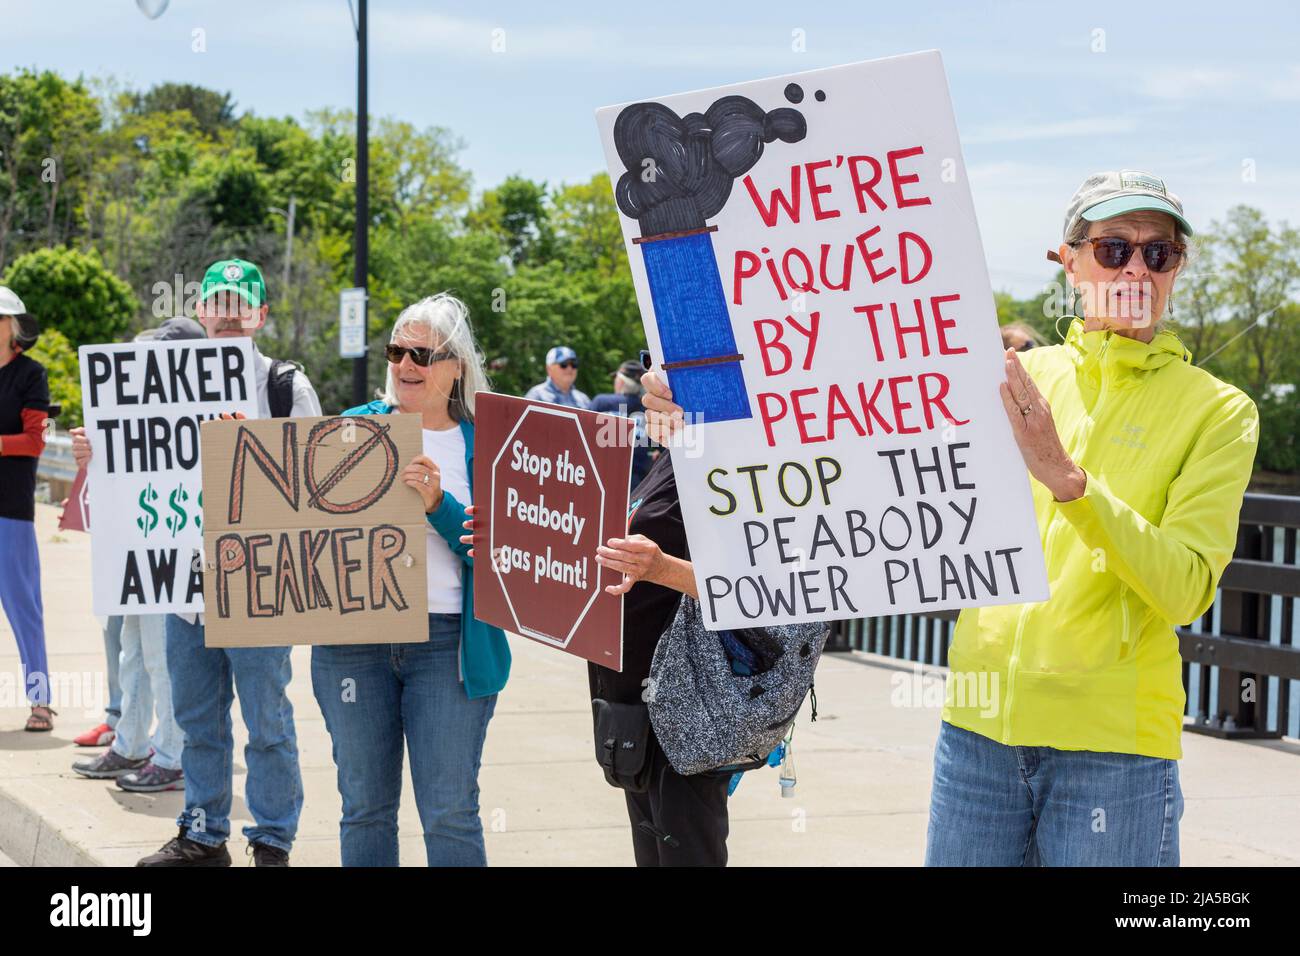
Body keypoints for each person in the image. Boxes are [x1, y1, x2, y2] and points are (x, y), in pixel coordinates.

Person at [641, 169, 1259, 867]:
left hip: (1115, 748)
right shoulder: (1000, 375)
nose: (1138, 268)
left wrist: (1070, 484)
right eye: (1115, 248)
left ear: (1179, 267)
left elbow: (1185, 590)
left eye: (1160, 252)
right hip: (976, 730)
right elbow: (842, 460)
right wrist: (697, 430)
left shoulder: (1221, 411)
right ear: (1069, 260)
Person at [73, 261, 321, 866]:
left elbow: (316, 487)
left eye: (244, 302)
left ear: (262, 315)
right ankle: (205, 835)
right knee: (197, 720)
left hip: (259, 584)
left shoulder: (286, 386)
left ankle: (271, 840)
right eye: (218, 302)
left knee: (267, 721)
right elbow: (136, 477)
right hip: (183, 585)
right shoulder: (158, 385)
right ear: (201, 313)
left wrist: (251, 448)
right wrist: (96, 450)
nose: (230, 312)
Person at [311, 292, 510, 866]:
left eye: (421, 354)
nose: (404, 366)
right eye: (397, 351)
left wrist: (440, 506)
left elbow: (509, 562)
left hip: (449, 648)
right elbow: (298, 528)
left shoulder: (489, 445)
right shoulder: (352, 430)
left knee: (449, 811)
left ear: (456, 367)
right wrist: (238, 453)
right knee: (365, 808)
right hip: (354, 648)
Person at [70, 322, 204, 792]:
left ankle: (172, 754)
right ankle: (129, 743)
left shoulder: (204, 412)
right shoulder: (136, 413)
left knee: (161, 655)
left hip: (175, 547)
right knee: (133, 647)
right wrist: (91, 449)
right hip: (136, 542)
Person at [0, 286, 53, 732]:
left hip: (10, 505)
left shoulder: (31, 375)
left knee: (23, 606)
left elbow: (35, 441)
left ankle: (41, 700)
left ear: (14, 327)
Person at [590, 359, 652, 488]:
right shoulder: (648, 409)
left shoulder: (601, 403)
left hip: (600, 476)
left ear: (621, 380)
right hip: (637, 483)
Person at [524, 345, 590, 408]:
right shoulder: (536, 395)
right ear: (549, 369)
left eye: (574, 364)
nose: (569, 368)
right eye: (564, 364)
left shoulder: (584, 400)